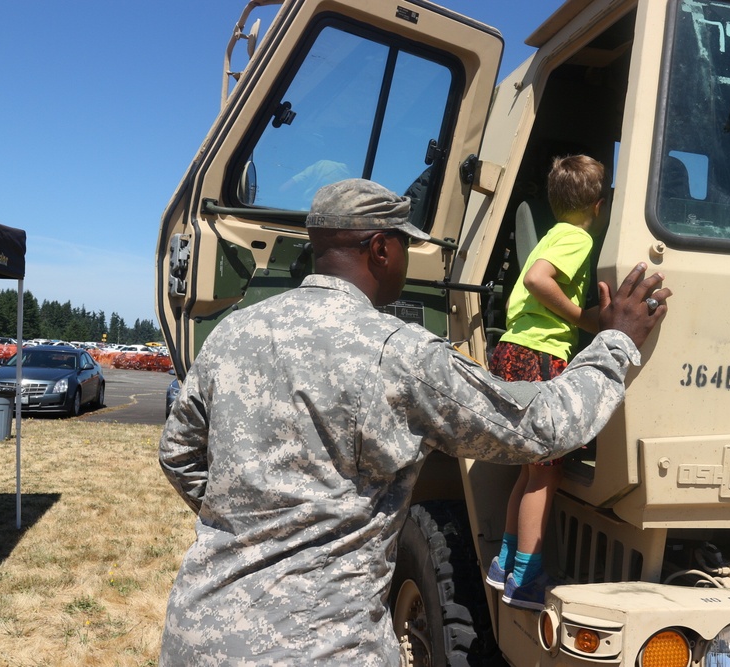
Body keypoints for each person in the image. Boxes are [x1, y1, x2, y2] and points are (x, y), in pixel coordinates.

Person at [158, 178, 671, 665]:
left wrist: (250, 522)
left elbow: (178, 453)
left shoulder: (234, 333)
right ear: (381, 249)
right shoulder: (396, 354)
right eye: (405, 244)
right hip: (318, 648)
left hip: (198, 634)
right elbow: (539, 429)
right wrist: (616, 343)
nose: (408, 258)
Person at [484, 154, 607, 610]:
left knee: (530, 469)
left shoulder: (553, 232)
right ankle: (527, 578)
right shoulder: (576, 238)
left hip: (514, 350)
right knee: (546, 477)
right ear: (599, 206)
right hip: (540, 354)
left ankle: (505, 562)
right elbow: (539, 280)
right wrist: (582, 317)